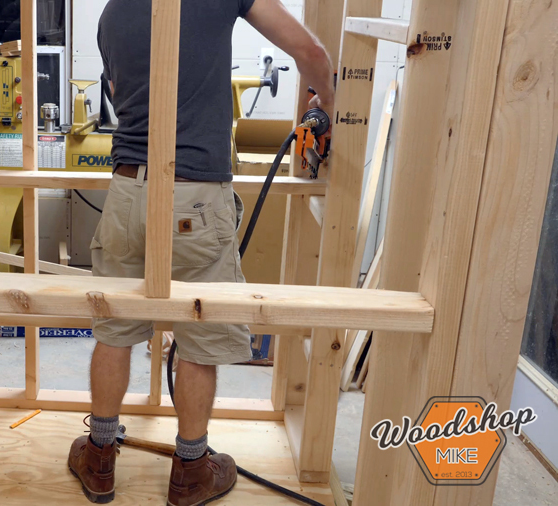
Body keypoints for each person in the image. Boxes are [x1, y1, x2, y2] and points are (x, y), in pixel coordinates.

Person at [67, 0, 335, 504]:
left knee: (115, 330)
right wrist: (328, 104)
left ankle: (99, 458)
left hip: (128, 191)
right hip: (196, 192)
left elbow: (120, 90)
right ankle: (191, 469)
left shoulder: (111, 11)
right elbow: (310, 50)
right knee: (198, 332)